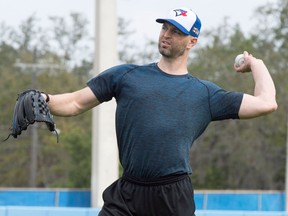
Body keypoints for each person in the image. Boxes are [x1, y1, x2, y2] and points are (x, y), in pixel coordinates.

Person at [42, 7, 277, 216]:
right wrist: (44, 99)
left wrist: (256, 64)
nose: (166, 34)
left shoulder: (205, 94)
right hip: (127, 194)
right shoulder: (126, 76)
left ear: (191, 42)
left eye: (176, 31)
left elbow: (267, 102)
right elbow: (75, 103)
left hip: (173, 198)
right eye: (165, 28)